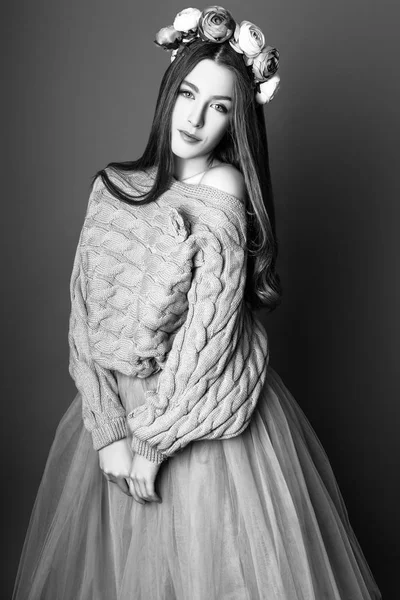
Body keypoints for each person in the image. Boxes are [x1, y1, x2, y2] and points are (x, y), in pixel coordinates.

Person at [12, 6, 382, 600]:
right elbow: (82, 319)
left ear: (236, 121)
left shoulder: (222, 189)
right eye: (188, 94)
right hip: (111, 415)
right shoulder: (111, 188)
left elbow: (207, 340)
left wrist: (150, 445)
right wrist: (108, 430)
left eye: (220, 107)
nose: (196, 117)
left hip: (196, 418)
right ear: (168, 94)